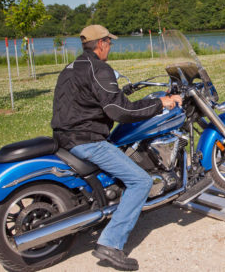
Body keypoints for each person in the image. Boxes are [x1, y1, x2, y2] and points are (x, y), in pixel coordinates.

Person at [51, 25, 182, 270]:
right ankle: (111, 243)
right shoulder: (99, 68)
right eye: (109, 42)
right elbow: (119, 111)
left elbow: (95, 99)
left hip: (66, 137)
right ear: (100, 43)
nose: (110, 47)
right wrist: (159, 103)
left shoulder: (72, 68)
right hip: (87, 141)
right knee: (141, 181)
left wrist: (126, 93)